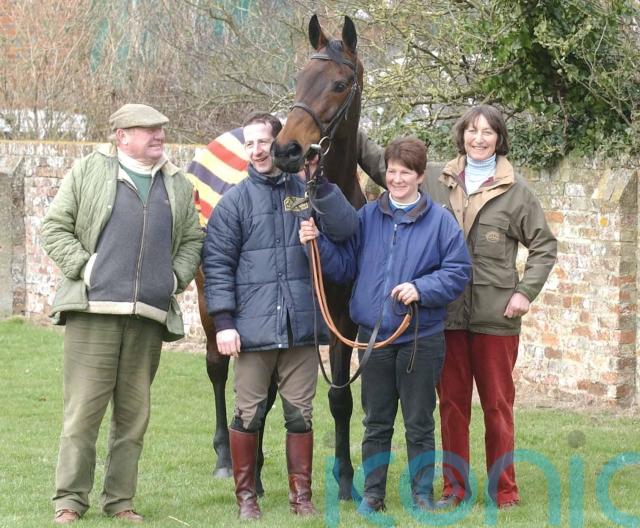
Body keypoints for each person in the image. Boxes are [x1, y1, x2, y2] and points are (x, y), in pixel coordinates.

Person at [41, 104, 203, 524]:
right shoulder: (89, 171)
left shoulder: (177, 183)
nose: (158, 135)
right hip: (93, 312)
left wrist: (172, 279)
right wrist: (88, 268)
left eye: (161, 129)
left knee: (133, 419)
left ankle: (120, 502)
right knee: (83, 415)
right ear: (121, 135)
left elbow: (192, 240)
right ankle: (69, 501)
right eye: (148, 129)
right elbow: (53, 228)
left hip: (148, 317)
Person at [299, 136, 472, 514]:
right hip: (373, 337)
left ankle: (421, 494)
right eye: (392, 172)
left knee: (418, 422)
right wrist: (317, 244)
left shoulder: (441, 222)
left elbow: (458, 272)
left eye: (405, 173)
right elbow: (345, 267)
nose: (397, 179)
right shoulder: (367, 217)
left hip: (420, 338)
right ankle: (373, 494)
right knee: (376, 421)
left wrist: (421, 288)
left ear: (420, 176)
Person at [201, 111, 358, 520]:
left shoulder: (305, 192)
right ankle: (246, 499)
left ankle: (301, 498)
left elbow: (348, 227)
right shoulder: (233, 203)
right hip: (253, 330)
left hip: (300, 327)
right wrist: (224, 324)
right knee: (248, 414)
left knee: (300, 415)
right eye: (249, 144)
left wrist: (320, 184)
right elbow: (217, 267)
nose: (256, 151)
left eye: (263, 142)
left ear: (279, 142)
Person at [424, 105, 557, 509]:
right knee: (451, 406)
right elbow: (386, 170)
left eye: (487, 132)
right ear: (461, 135)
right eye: (472, 130)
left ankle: (505, 491)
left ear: (499, 138)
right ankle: (455, 489)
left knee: (498, 406)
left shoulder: (517, 192)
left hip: (496, 317)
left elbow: (544, 246)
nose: (478, 138)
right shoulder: (435, 181)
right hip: (447, 315)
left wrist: (524, 292)